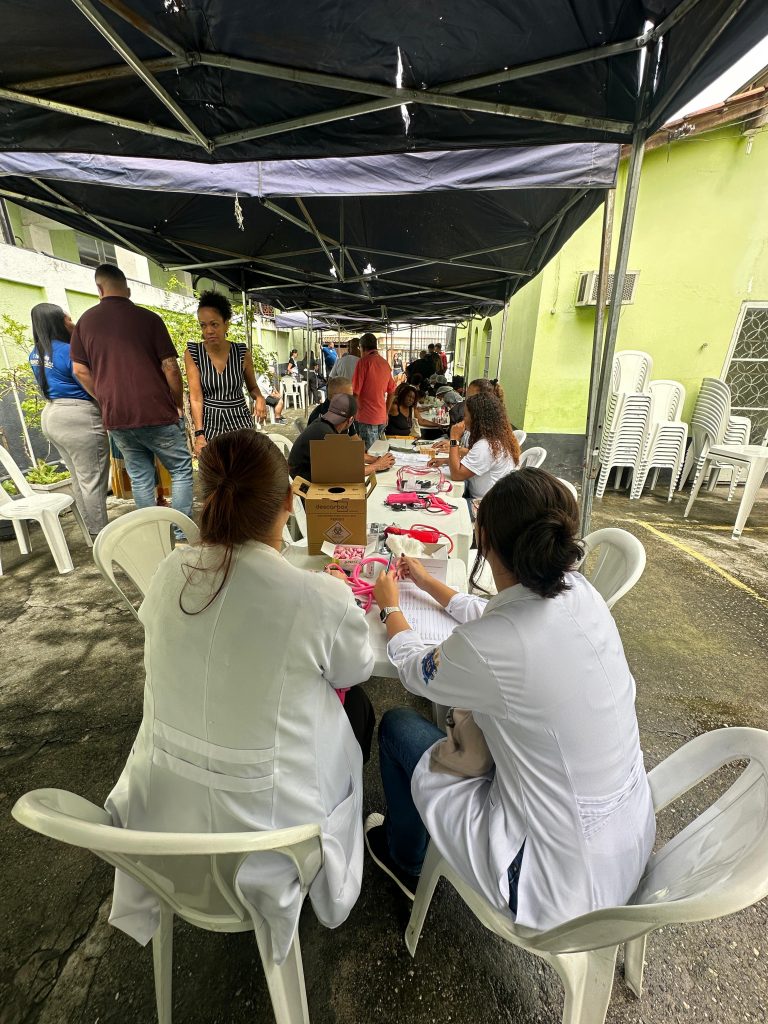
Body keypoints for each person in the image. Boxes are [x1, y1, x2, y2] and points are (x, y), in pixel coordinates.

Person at [105, 429, 375, 963]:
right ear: (289, 502)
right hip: (270, 843)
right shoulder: (317, 595)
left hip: (162, 820)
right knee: (359, 710)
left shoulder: (168, 572)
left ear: (207, 498)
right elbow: (357, 667)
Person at [365, 469, 656, 933]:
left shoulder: (492, 645)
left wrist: (390, 607)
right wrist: (426, 581)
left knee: (399, 726)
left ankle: (404, 860)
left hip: (551, 884)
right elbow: (493, 614)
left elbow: (416, 671)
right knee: (473, 728)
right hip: (626, 844)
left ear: (486, 542)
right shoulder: (581, 594)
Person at [70, 264, 193, 522]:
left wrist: (104, 398)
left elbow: (79, 370)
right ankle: (181, 532)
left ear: (99, 288)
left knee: (140, 477)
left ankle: (150, 531)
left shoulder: (85, 323)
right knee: (180, 470)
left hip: (117, 417)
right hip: (156, 411)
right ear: (127, 289)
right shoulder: (149, 319)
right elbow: (170, 367)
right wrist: (177, 403)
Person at [28, 302, 109, 537]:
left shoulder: (35, 353)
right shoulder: (69, 350)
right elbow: (85, 379)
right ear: (58, 322)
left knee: (79, 479)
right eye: (68, 319)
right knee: (92, 481)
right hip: (78, 417)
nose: (72, 322)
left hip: (52, 415)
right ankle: (103, 537)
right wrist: (107, 405)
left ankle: (92, 533)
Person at [185, 292, 268, 454]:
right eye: (203, 325)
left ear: (226, 324)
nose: (209, 330)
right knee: (216, 468)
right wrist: (199, 434)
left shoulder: (241, 353)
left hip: (240, 422)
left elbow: (252, 387)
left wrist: (259, 398)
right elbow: (195, 398)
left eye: (214, 324)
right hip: (211, 425)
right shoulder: (193, 353)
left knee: (245, 466)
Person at [289, 393, 393, 481]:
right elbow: (345, 474)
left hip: (304, 478)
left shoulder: (323, 423)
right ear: (351, 420)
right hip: (305, 487)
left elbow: (346, 454)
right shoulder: (326, 434)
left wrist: (374, 459)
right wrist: (377, 466)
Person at [444, 393, 520, 500]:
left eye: (465, 415)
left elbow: (456, 475)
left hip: (483, 502)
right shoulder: (496, 439)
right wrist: (445, 461)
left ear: (476, 419)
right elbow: (473, 460)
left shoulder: (486, 446)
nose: (463, 420)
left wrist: (454, 438)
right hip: (493, 498)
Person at [351, 333, 395, 450]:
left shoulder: (363, 362)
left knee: (370, 453)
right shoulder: (385, 363)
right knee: (377, 452)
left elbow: (355, 393)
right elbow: (392, 392)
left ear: (362, 347)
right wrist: (386, 412)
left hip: (367, 417)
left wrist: (352, 414)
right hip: (381, 416)